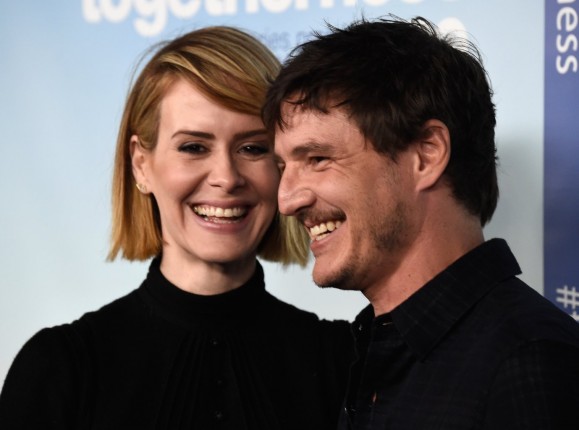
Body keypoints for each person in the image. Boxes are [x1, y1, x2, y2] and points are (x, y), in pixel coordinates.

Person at [0, 26, 354, 430]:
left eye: (253, 148)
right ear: (141, 165)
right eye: (194, 147)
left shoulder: (343, 361)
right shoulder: (60, 368)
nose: (226, 177)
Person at [263, 16, 579, 429]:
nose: (286, 201)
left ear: (426, 155)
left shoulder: (530, 363)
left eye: (318, 159)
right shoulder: (369, 350)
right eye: (283, 167)